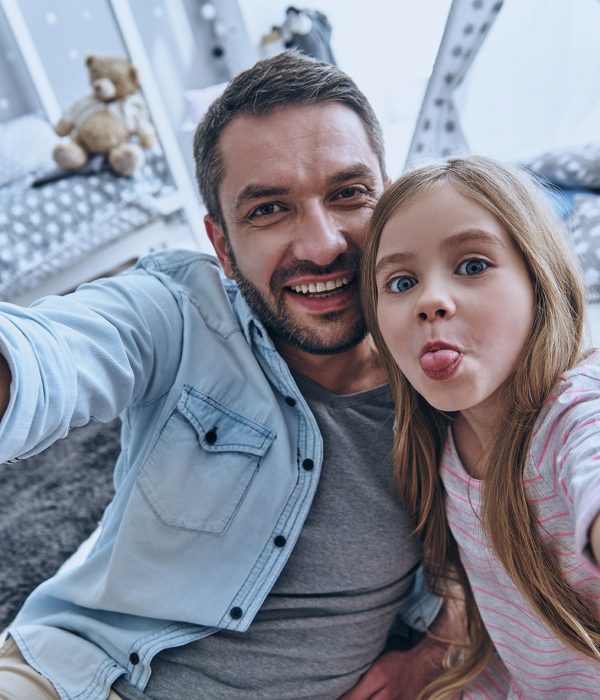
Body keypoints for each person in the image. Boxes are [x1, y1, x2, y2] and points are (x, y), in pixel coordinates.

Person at [0, 51, 450, 700]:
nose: (323, 244)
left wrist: (436, 648)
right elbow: (58, 352)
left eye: (349, 194)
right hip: (74, 675)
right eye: (269, 209)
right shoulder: (181, 309)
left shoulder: (452, 371)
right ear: (221, 244)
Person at [361, 154, 600, 699]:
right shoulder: (440, 443)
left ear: (540, 282)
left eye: (471, 266)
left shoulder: (573, 415)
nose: (430, 302)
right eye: (400, 282)